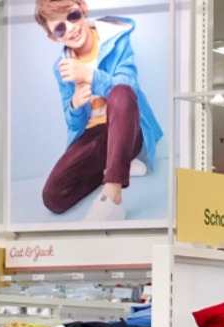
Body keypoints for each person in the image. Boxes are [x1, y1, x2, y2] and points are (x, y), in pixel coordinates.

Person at [36, 0, 162, 222]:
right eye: (60, 28)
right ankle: (119, 163)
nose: (71, 28)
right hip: (95, 137)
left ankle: (112, 196)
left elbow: (128, 89)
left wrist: (89, 76)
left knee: (121, 92)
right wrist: (75, 105)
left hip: (129, 131)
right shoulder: (62, 67)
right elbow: (74, 124)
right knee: (53, 197)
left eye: (72, 16)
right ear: (54, 36)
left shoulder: (116, 39)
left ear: (83, 9)